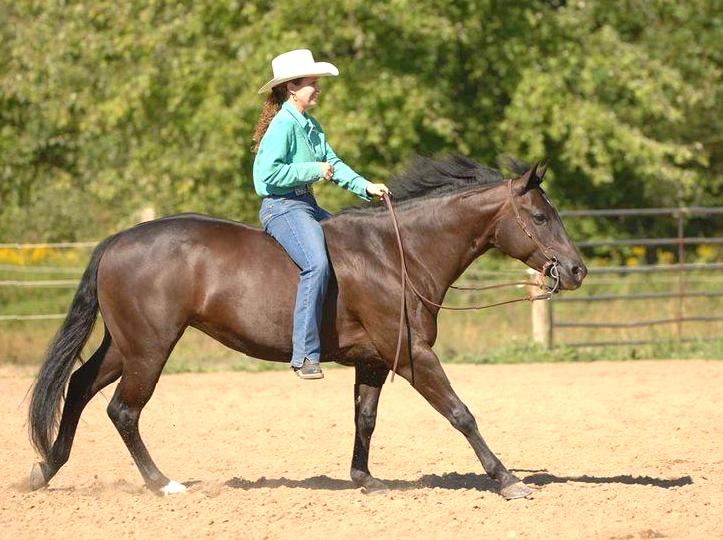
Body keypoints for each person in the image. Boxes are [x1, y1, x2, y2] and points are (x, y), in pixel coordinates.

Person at [252, 49, 390, 380]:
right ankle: (304, 355)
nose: (317, 88)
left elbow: (334, 163)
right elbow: (265, 177)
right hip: (283, 207)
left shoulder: (311, 125)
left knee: (353, 252)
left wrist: (365, 186)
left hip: (307, 204)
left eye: (316, 82)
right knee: (316, 264)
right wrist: (312, 169)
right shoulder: (283, 125)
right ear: (291, 88)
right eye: (311, 83)